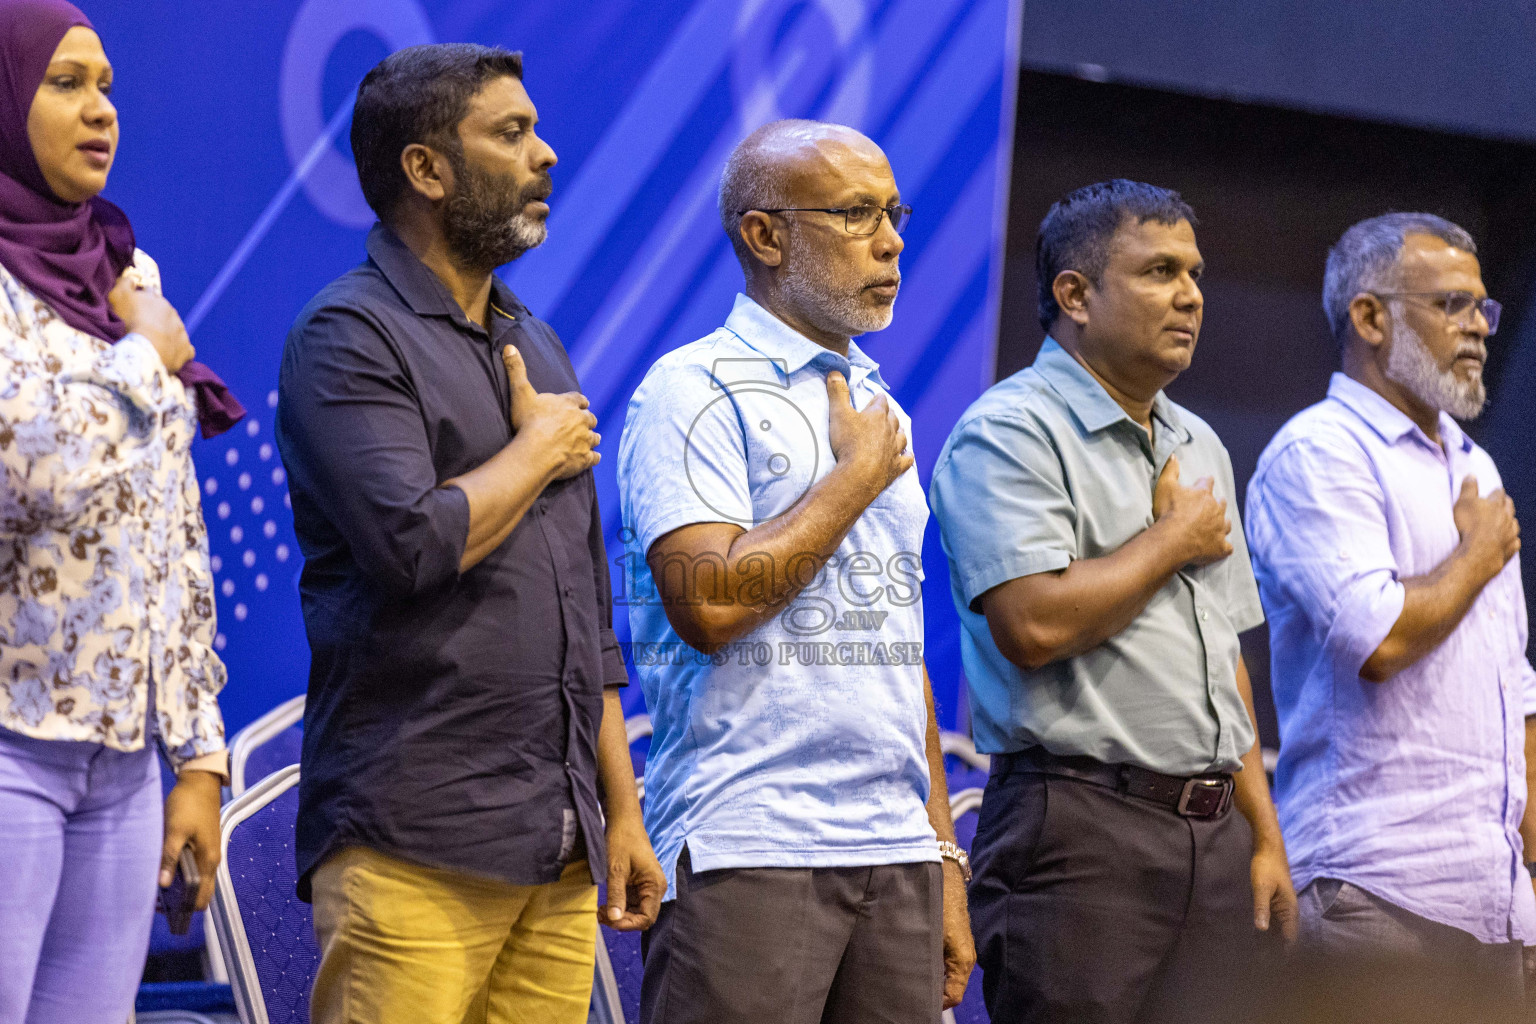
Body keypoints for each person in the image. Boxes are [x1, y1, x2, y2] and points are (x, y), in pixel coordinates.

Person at [275, 44, 664, 1024]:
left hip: (560, 847)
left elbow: (588, 616)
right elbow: (410, 542)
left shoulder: (534, 340)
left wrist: (622, 809)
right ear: (426, 168)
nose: (548, 154)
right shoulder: (346, 335)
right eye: (512, 132)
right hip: (415, 837)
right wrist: (535, 449)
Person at [616, 119, 974, 1024]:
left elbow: (897, 649)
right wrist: (854, 478)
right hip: (751, 842)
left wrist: (942, 854)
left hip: (895, 855)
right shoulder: (691, 388)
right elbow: (709, 603)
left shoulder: (878, 405)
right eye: (856, 214)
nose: (892, 239)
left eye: (893, 213)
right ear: (765, 235)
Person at [928, 179, 1297, 1024]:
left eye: (1196, 273)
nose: (1192, 295)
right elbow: (1032, 623)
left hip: (1216, 833)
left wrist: (1264, 835)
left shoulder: (1198, 439)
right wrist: (1169, 540)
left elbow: (1222, 661)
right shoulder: (1011, 430)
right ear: (1075, 295)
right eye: (1161, 271)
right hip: (1081, 830)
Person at [0, 1, 243, 1021]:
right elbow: (26, 474)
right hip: (10, 742)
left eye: (106, 86)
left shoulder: (126, 275)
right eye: (64, 83)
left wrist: (198, 755)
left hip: (123, 763)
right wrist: (150, 358)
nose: (99, 109)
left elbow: (170, 531)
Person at [1244, 213, 1533, 995]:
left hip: (1499, 910)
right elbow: (1378, 641)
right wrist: (1477, 555)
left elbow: (1517, 691)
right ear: (1370, 318)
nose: (1478, 328)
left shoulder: (1478, 466)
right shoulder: (1319, 451)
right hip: (1373, 891)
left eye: (1484, 309)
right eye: (1451, 306)